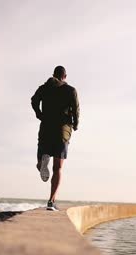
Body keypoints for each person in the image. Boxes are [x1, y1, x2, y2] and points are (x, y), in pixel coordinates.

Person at [31, 66, 80, 211]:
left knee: (42, 157)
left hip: (46, 127)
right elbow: (76, 109)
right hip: (62, 131)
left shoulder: (44, 88)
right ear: (65, 76)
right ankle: (51, 201)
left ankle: (41, 162)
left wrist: (39, 114)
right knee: (57, 168)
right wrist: (75, 124)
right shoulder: (71, 90)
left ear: (53, 75)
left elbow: (34, 100)